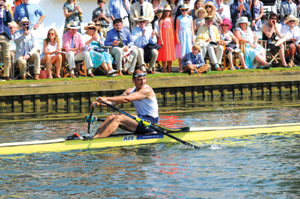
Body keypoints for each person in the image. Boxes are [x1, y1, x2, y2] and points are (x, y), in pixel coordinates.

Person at [92, 68, 159, 138]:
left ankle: (97, 140)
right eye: (140, 80)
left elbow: (127, 99)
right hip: (141, 119)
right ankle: (95, 137)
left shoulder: (147, 90)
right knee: (111, 116)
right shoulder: (130, 91)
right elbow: (113, 103)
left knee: (118, 118)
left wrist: (106, 98)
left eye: (144, 79)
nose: (143, 82)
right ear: (133, 80)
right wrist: (98, 104)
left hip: (150, 123)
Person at [157, 5, 176, 73]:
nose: (167, 12)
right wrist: (161, 39)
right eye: (166, 11)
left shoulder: (171, 19)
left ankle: (170, 69)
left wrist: (174, 38)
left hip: (170, 38)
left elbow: (172, 29)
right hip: (164, 38)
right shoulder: (161, 20)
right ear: (164, 12)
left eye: (168, 11)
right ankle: (164, 69)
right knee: (164, 54)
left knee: (170, 54)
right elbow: (160, 30)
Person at [175, 4, 194, 72]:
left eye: (185, 10)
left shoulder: (190, 18)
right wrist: (177, 38)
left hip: (188, 35)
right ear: (181, 11)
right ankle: (180, 68)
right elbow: (176, 29)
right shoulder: (178, 18)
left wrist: (193, 38)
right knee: (181, 52)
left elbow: (192, 28)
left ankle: (189, 66)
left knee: (188, 51)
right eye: (183, 10)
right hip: (181, 35)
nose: (184, 11)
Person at [0, 0, 12, 80]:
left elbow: (10, 20)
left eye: (2, 1)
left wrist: (7, 9)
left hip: (5, 35)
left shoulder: (6, 11)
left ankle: (7, 75)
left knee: (7, 56)